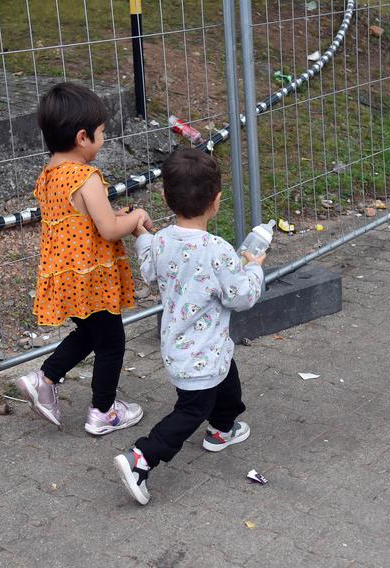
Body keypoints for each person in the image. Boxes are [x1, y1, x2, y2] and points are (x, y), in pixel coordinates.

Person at [114, 148, 265, 505]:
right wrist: (255, 266)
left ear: (166, 197)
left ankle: (222, 428)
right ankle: (142, 457)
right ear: (217, 201)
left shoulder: (163, 240)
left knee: (226, 379)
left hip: (183, 348)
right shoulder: (218, 250)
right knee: (191, 410)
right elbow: (241, 296)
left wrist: (141, 234)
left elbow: (150, 267)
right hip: (202, 353)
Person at [15, 82, 153, 436]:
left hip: (65, 276)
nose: (104, 140)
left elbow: (81, 221)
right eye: (102, 134)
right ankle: (103, 412)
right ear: (82, 137)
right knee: (111, 342)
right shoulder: (85, 177)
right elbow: (108, 229)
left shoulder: (48, 177)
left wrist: (115, 215)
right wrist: (135, 218)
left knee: (90, 333)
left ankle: (44, 379)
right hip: (92, 277)